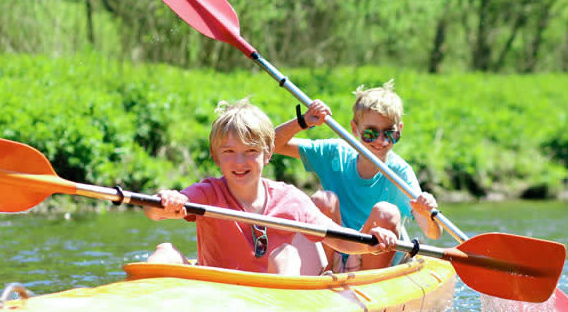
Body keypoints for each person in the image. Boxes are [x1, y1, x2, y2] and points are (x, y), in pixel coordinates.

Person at [145, 98, 398, 275]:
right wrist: (166, 202)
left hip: (269, 299)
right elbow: (153, 212)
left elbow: (339, 239)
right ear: (216, 156)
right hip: (216, 292)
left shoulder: (289, 199)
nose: (240, 161)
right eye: (229, 152)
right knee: (165, 251)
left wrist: (370, 242)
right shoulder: (207, 193)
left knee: (285, 254)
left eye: (251, 151)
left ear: (267, 155)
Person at [273, 80, 442, 272]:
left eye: (389, 133)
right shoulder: (334, 153)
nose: (380, 141)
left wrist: (429, 214)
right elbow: (271, 145)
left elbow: (433, 233)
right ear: (355, 129)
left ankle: (368, 282)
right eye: (370, 133)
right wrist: (302, 121)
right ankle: (322, 275)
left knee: (385, 212)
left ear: (399, 131)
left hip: (374, 262)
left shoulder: (401, 173)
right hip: (335, 254)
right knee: (323, 200)